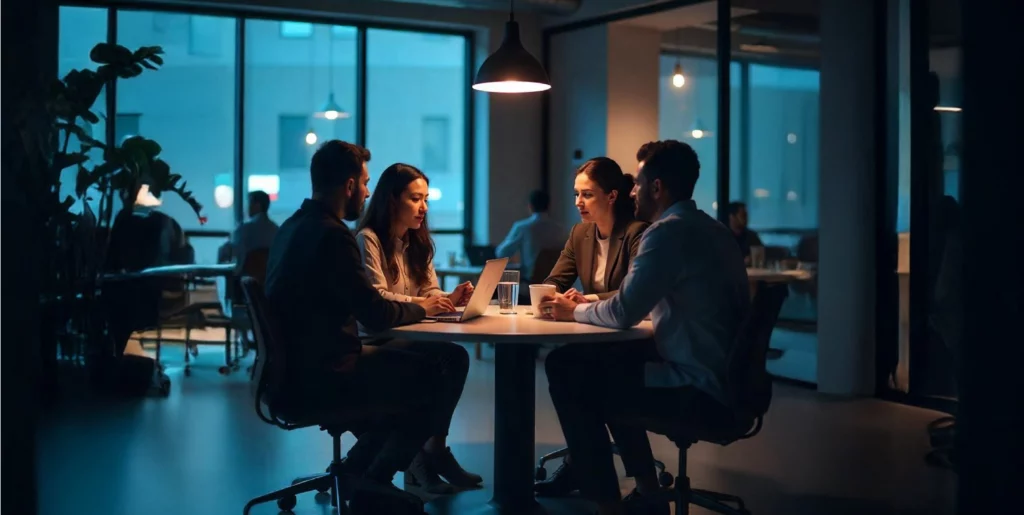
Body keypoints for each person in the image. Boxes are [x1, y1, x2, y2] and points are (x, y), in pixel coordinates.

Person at [539, 140, 750, 515]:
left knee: (565, 369)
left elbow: (623, 311)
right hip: (727, 376)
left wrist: (573, 313)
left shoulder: (665, 233)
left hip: (695, 385)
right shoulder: (714, 231)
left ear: (657, 187)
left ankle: (606, 501)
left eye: (637, 182)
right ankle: (647, 490)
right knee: (608, 364)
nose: (631, 190)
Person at [264, 140, 455, 515]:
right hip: (323, 374)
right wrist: (423, 309)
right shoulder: (333, 236)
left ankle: (358, 470)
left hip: (289, 372)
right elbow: (376, 315)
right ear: (350, 186)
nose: (368, 192)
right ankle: (373, 482)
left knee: (429, 364)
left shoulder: (293, 226)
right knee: (437, 373)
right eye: (365, 183)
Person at [354, 163, 483, 493]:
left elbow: (429, 289)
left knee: (451, 358)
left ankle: (428, 455)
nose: (423, 207)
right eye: (415, 198)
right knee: (448, 360)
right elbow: (378, 297)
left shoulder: (416, 242)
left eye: (426, 199)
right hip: (377, 339)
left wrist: (447, 297)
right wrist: (425, 305)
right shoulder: (368, 239)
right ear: (392, 200)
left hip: (406, 335)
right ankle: (429, 455)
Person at [533, 157, 649, 498]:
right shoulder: (580, 233)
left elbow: (635, 291)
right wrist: (547, 294)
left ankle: (587, 471)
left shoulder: (636, 232)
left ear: (611, 196)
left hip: (630, 336)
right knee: (575, 372)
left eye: (586, 195)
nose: (577, 203)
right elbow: (556, 279)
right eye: (575, 194)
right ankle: (584, 468)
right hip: (595, 334)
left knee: (582, 377)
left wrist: (588, 298)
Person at [495, 189, 566, 280]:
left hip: (530, 282)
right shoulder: (560, 229)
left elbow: (501, 253)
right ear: (549, 206)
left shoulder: (522, 227)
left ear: (530, 206)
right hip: (557, 282)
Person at [229, 190, 279, 269]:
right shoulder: (277, 230)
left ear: (257, 205)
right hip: (270, 277)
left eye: (249, 203)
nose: (247, 208)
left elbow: (235, 256)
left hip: (246, 277)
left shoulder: (243, 230)